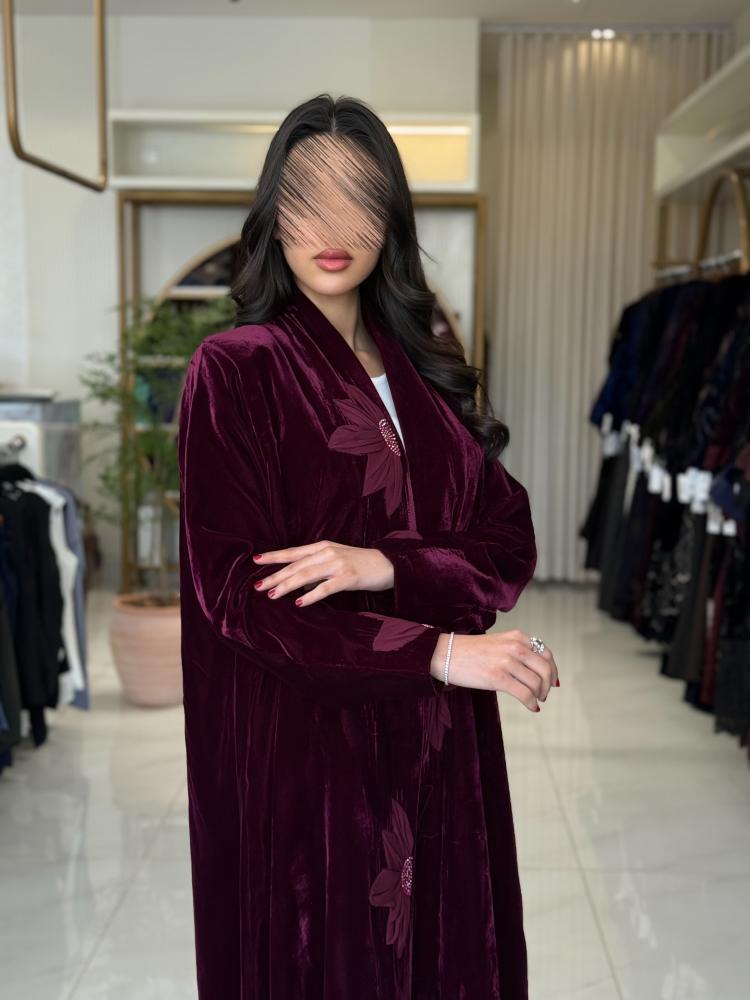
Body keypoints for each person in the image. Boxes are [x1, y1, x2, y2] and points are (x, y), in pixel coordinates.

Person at [177, 92, 559, 1000]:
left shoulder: (424, 374)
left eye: (358, 197)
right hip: (311, 762)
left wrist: (386, 563)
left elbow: (508, 537)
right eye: (306, 197)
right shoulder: (237, 371)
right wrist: (440, 650)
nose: (332, 227)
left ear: (390, 216)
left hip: (441, 750)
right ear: (274, 215)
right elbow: (236, 596)